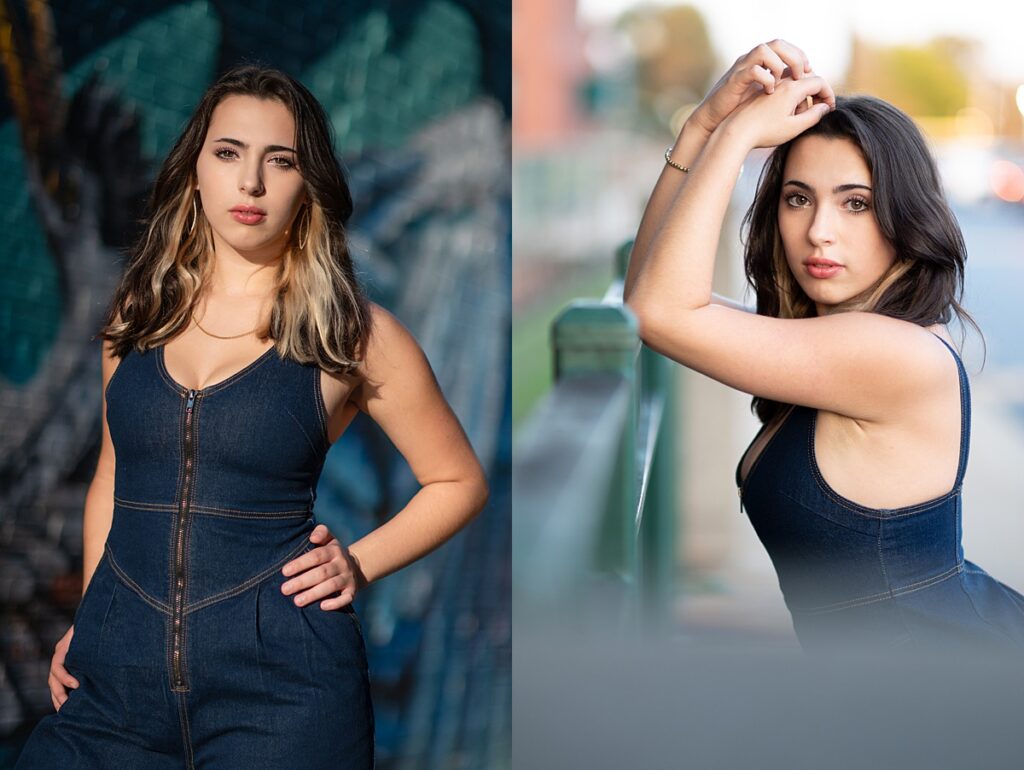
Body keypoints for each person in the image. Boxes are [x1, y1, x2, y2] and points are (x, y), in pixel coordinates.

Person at [16, 64, 489, 768]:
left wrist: (358, 563)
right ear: (195, 170)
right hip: (113, 688)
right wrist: (89, 622)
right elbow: (113, 475)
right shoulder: (139, 314)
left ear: (309, 184)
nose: (252, 184)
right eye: (229, 153)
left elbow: (458, 481)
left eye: (281, 161)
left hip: (283, 693)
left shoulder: (349, 331)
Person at [623, 40, 1024, 652]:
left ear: (904, 214)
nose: (819, 231)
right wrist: (704, 125)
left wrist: (734, 139)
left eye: (856, 203)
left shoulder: (890, 353)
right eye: (798, 197)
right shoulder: (834, 341)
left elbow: (661, 312)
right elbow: (647, 297)